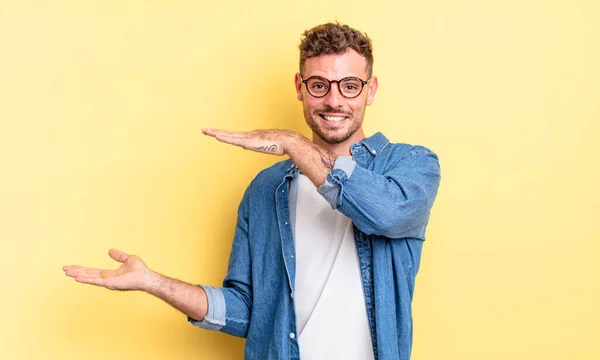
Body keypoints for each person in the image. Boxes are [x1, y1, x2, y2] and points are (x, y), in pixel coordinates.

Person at [63, 22, 441, 360]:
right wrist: (153, 282)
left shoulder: (410, 166)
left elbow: (389, 214)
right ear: (300, 88)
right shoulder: (265, 189)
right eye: (319, 85)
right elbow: (248, 311)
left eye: (350, 86)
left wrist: (294, 144)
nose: (334, 100)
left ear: (370, 90)